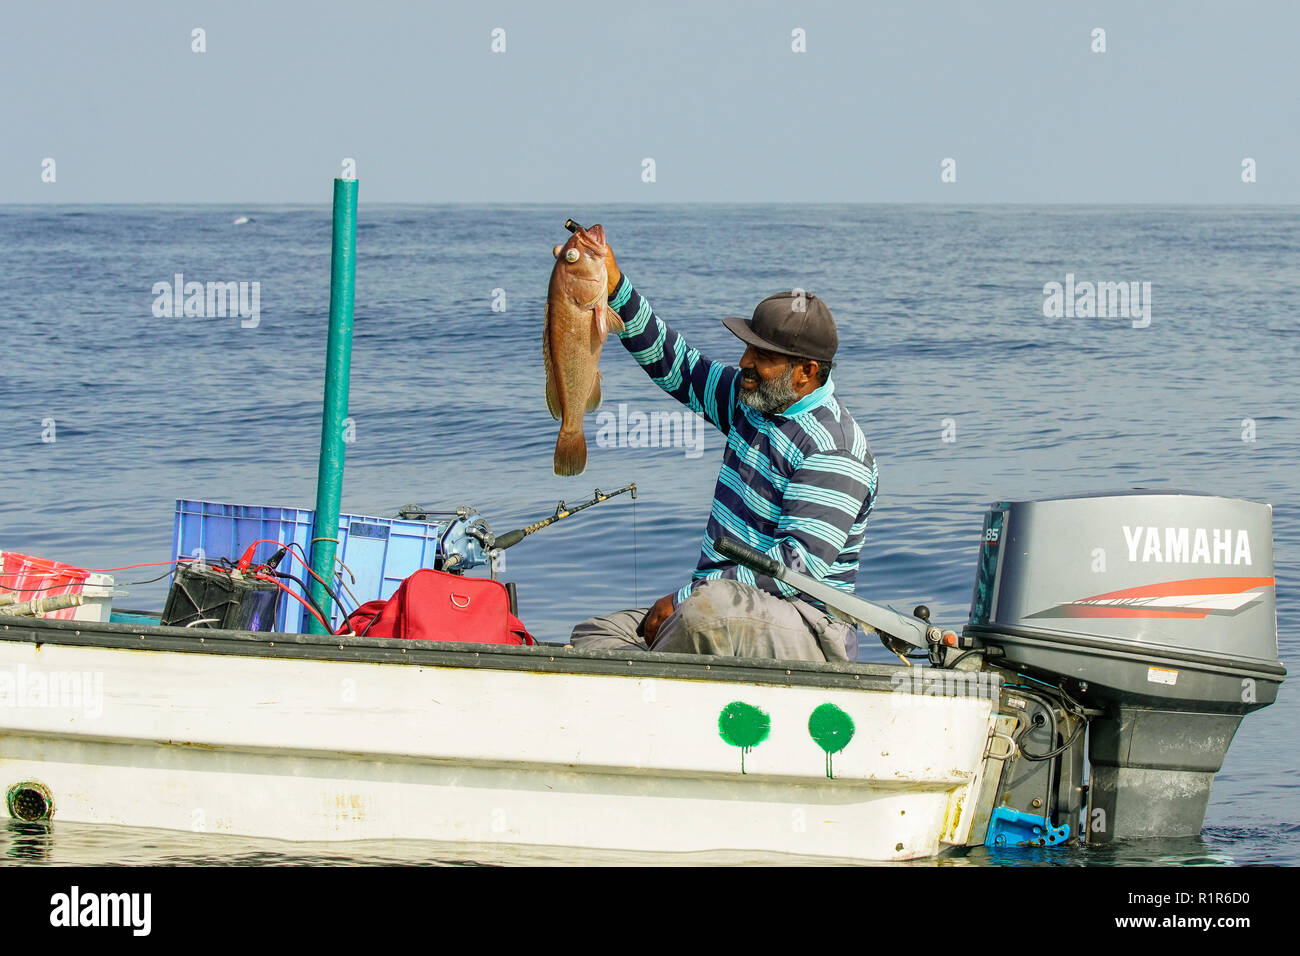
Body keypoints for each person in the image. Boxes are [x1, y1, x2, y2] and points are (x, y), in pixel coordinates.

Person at [568, 236, 878, 663]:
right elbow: (676, 364)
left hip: (808, 628)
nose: (745, 362)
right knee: (593, 636)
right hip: (718, 604)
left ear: (806, 372)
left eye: (763, 354)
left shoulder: (833, 449)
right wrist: (615, 284)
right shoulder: (752, 401)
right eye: (748, 347)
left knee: (703, 614)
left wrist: (684, 598)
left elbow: (795, 570)